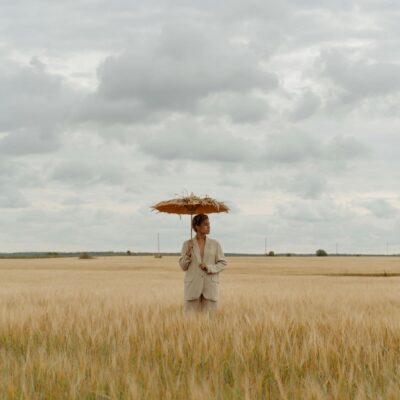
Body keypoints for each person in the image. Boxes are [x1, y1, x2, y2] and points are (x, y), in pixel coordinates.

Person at [179, 213, 227, 315]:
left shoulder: (215, 244)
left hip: (210, 288)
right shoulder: (187, 244)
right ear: (197, 227)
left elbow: (223, 263)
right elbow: (183, 266)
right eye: (205, 224)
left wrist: (209, 267)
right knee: (190, 322)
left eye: (209, 224)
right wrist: (188, 254)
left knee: (210, 323)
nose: (209, 226)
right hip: (192, 288)